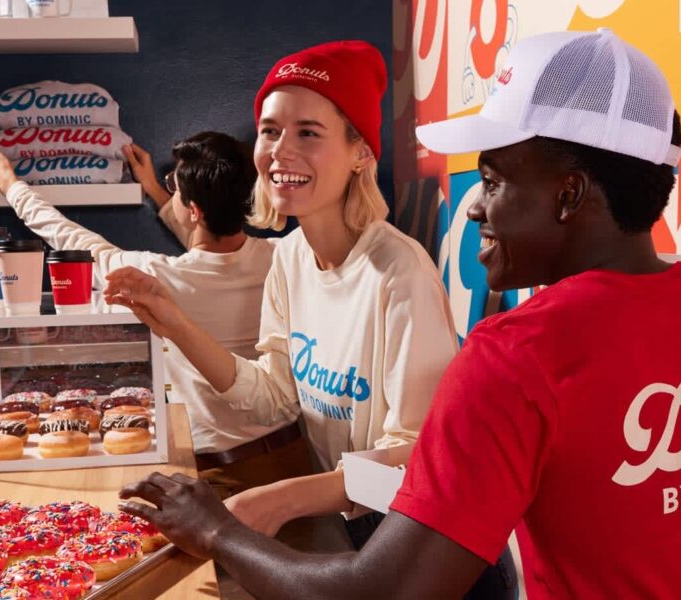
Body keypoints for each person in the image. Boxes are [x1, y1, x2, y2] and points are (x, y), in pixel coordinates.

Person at [116, 29, 681, 599]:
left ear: (569, 194)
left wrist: (216, 529)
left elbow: (385, 591)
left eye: (494, 179)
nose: (474, 206)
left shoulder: (517, 355)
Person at [104, 40, 466, 553]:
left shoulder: (399, 274)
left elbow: (420, 463)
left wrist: (283, 500)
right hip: (349, 525)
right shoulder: (290, 257)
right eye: (270, 130)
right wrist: (172, 322)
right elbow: (272, 396)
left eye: (308, 132)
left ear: (361, 153)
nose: (279, 151)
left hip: (416, 539)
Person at [0, 133, 312, 492]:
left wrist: (8, 183)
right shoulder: (282, 257)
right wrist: (157, 189)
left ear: (194, 210)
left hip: (222, 475)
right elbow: (217, 251)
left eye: (176, 188)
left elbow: (68, 236)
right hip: (296, 456)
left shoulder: (154, 277)